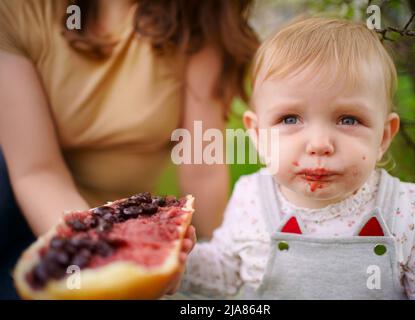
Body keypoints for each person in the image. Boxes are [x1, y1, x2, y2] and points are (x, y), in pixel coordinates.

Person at [0, 0, 258, 299]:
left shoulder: (196, 16)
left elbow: (202, 166)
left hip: (136, 225)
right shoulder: (16, 11)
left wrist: (218, 260)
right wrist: (93, 251)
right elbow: (37, 171)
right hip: (30, 216)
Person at [179, 16, 415, 299]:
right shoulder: (251, 197)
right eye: (290, 118)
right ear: (258, 135)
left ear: (382, 137)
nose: (320, 145)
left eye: (348, 119)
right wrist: (179, 261)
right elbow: (225, 274)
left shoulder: (407, 210)